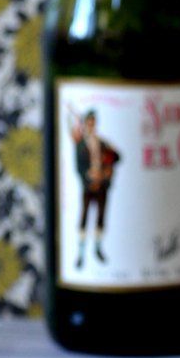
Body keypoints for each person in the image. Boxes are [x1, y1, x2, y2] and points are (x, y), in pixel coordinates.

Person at [69, 108, 121, 268]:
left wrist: (106, 171)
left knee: (100, 218)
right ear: (85, 125)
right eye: (88, 124)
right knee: (84, 218)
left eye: (93, 123)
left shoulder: (102, 143)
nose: (91, 126)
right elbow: (78, 168)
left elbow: (117, 157)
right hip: (88, 187)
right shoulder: (80, 146)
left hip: (102, 187)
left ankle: (98, 249)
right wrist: (89, 177)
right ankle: (80, 253)